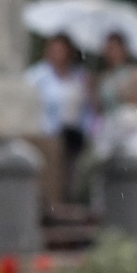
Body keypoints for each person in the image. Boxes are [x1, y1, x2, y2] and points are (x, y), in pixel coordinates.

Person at [24, 34, 90, 200]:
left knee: (72, 176)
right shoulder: (37, 76)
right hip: (48, 134)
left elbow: (87, 108)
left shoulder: (80, 76)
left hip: (74, 135)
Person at [88, 31, 137, 165]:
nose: (112, 52)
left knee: (132, 166)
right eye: (109, 48)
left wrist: (128, 96)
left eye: (115, 47)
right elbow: (99, 108)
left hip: (132, 129)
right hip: (109, 130)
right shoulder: (104, 77)